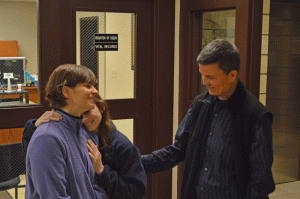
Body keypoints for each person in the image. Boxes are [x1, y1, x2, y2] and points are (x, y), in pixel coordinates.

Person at [142, 39, 275, 198]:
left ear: (232, 75)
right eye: (202, 75)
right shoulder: (200, 105)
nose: (205, 82)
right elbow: (177, 151)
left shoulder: (256, 116)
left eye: (210, 77)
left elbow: (260, 181)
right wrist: (132, 162)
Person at [23, 95, 147, 198]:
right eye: (80, 114)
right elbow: (39, 159)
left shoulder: (123, 147)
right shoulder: (77, 133)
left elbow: (135, 192)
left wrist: (102, 171)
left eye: (88, 112)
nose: (84, 119)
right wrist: (34, 126)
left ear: (102, 107)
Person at [25, 64, 108, 198]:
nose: (95, 91)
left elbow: (93, 186)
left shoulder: (86, 134)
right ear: (66, 92)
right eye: (87, 86)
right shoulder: (47, 138)